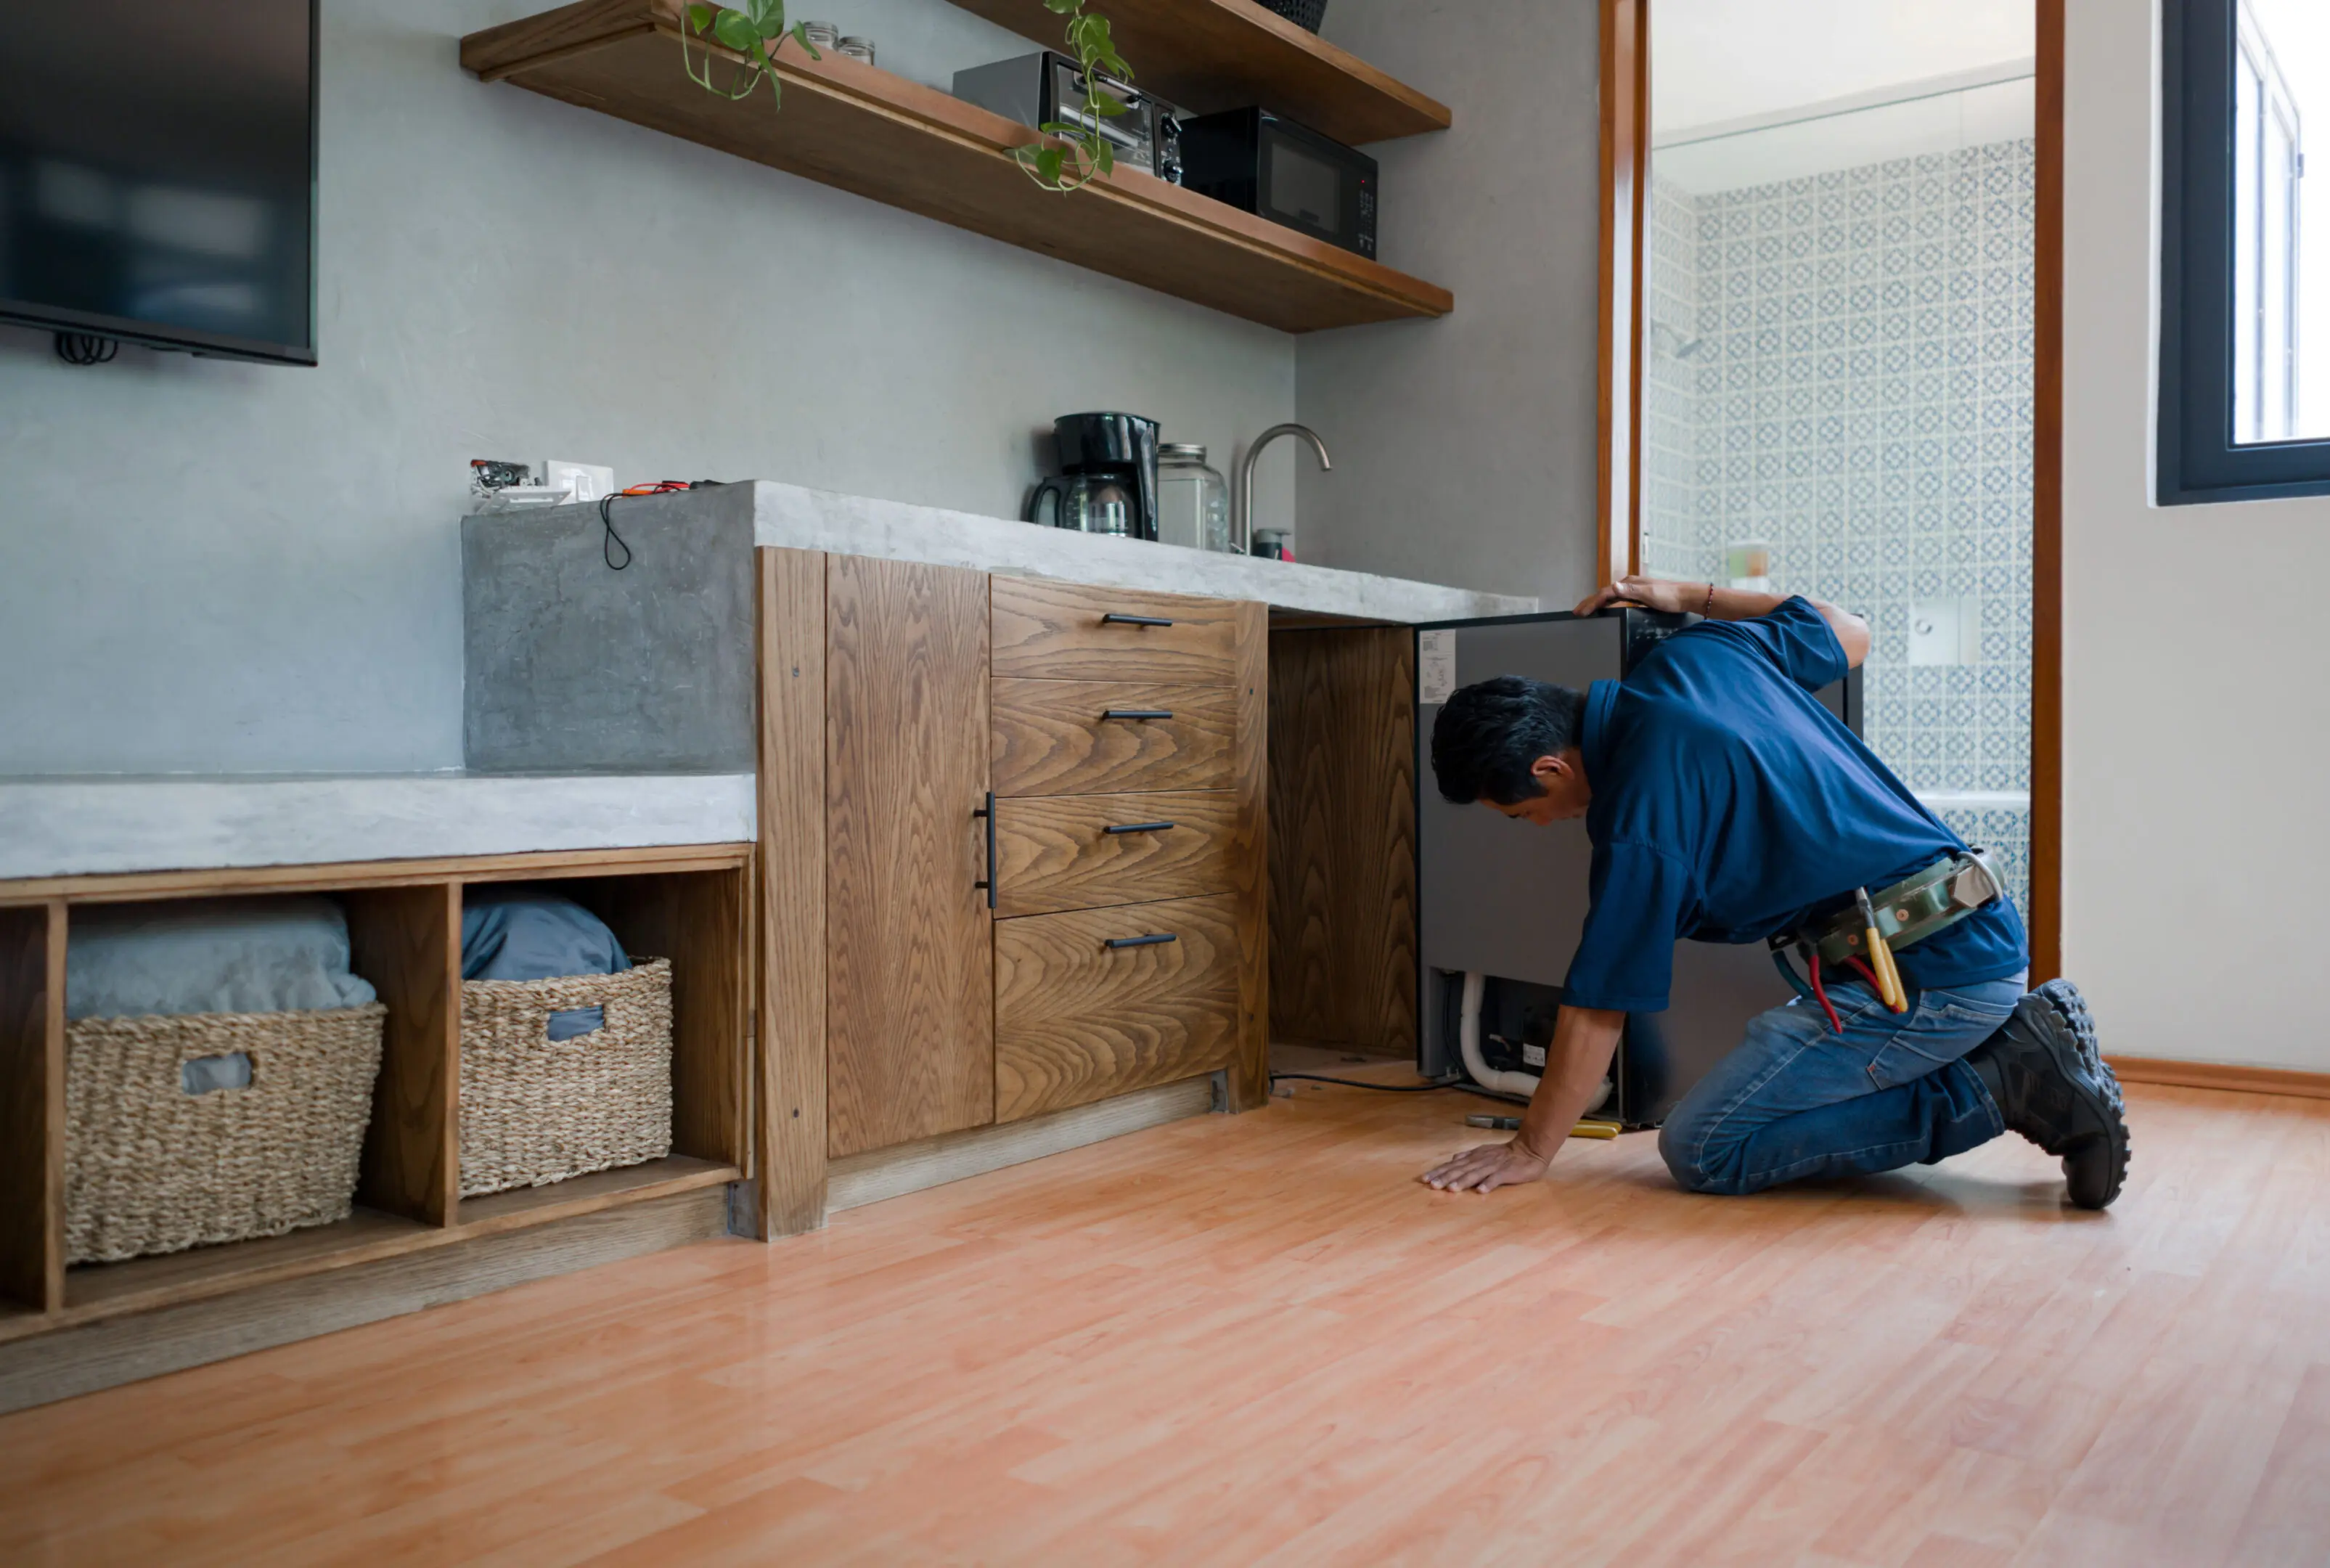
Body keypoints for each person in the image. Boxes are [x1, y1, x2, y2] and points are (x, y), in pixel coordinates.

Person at [1418, 576, 2129, 1209]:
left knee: (1703, 1148)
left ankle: (2006, 1081)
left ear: (1550, 766)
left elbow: (1599, 1006)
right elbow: (1850, 629)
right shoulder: (1695, 658)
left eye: (1522, 814)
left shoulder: (1638, 812)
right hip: (1970, 933)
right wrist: (1690, 595)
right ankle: (2015, 1043)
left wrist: (1531, 1151)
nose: (1538, 826)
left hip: (1933, 981)